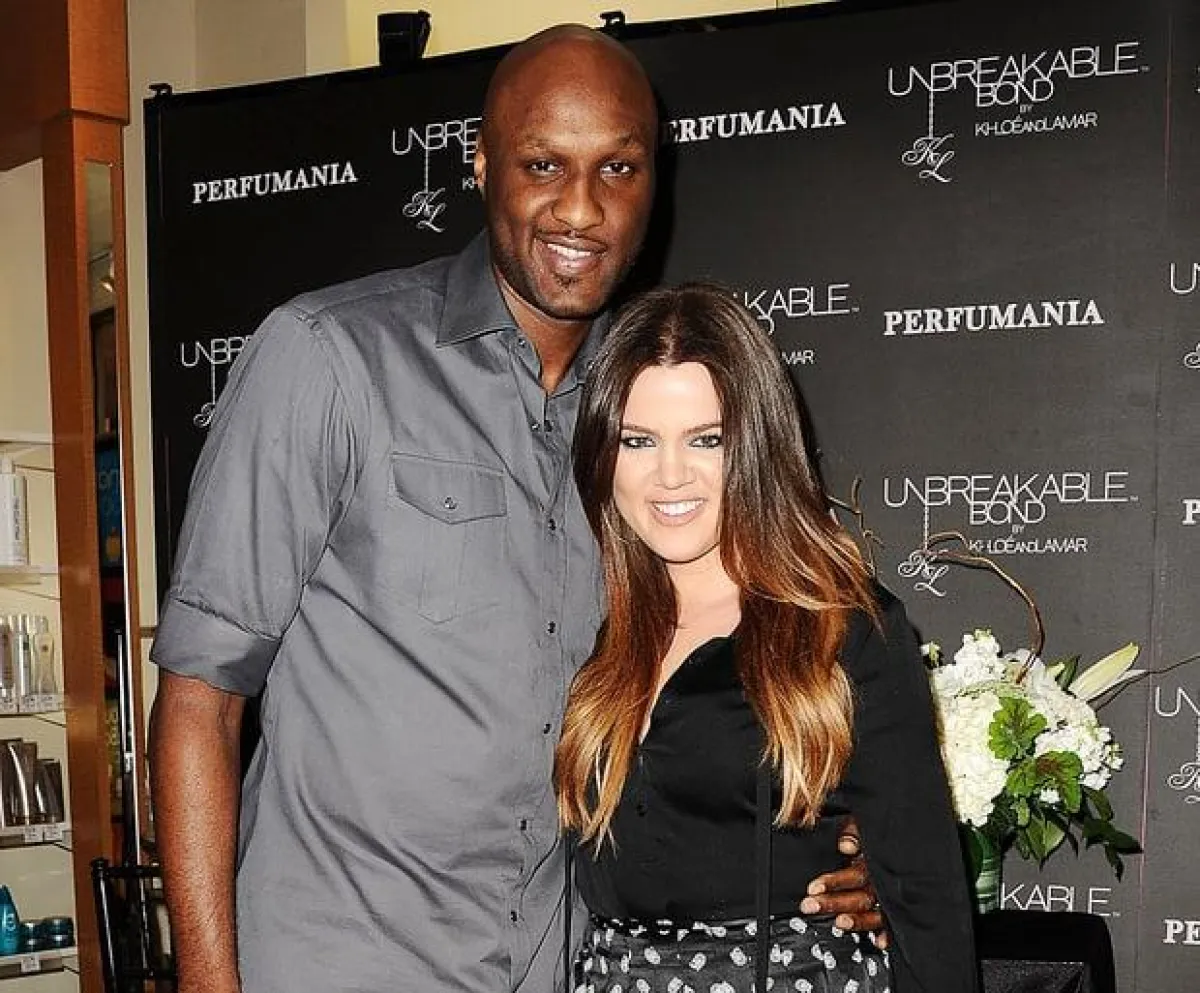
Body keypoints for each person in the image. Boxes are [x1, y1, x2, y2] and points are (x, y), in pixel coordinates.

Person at [148, 25, 882, 993]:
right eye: (543, 164)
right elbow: (200, 701)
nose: (580, 207)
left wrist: (852, 842)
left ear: (654, 182)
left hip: (563, 964)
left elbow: (742, 662)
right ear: (481, 162)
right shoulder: (328, 358)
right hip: (346, 960)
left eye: (617, 168)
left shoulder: (651, 414)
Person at [557, 284, 978, 993]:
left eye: (707, 439)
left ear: (756, 446)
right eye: (638, 439)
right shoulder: (599, 632)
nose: (669, 475)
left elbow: (926, 898)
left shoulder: (843, 628)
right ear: (603, 452)